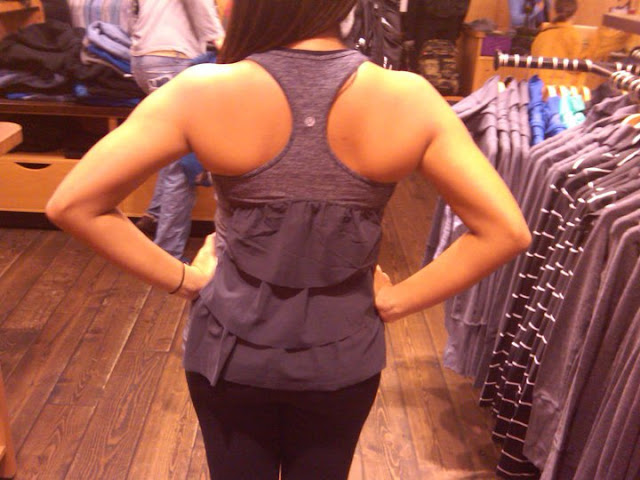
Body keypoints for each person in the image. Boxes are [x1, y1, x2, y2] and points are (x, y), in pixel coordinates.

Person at [46, 1, 532, 478]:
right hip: (342, 356)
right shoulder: (409, 97)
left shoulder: (200, 91)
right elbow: (504, 231)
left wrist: (185, 281)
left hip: (230, 352)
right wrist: (397, 300)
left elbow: (73, 205)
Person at [129, 0, 225, 260]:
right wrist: (222, 41)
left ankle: (155, 215)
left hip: (144, 56)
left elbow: (130, 10)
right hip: (173, 56)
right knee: (183, 164)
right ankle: (168, 253)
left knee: (171, 146)